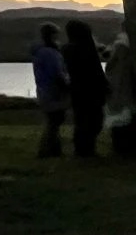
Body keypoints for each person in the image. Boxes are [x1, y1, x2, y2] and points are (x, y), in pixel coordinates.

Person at [62, 19, 108, 158]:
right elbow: (95, 69)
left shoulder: (67, 49)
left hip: (77, 90)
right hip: (91, 90)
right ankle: (87, 150)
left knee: (81, 120)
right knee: (94, 120)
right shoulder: (86, 49)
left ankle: (82, 149)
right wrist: (104, 85)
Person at [104, 30, 136, 157]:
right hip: (125, 96)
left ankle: (123, 147)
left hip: (119, 96)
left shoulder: (114, 63)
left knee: (121, 120)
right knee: (125, 120)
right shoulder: (126, 60)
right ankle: (126, 147)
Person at [30, 22, 70, 159]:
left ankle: (53, 150)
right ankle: (47, 151)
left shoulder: (39, 53)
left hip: (44, 91)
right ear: (52, 36)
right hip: (53, 93)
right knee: (54, 122)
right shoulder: (50, 53)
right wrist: (67, 86)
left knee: (53, 122)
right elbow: (58, 74)